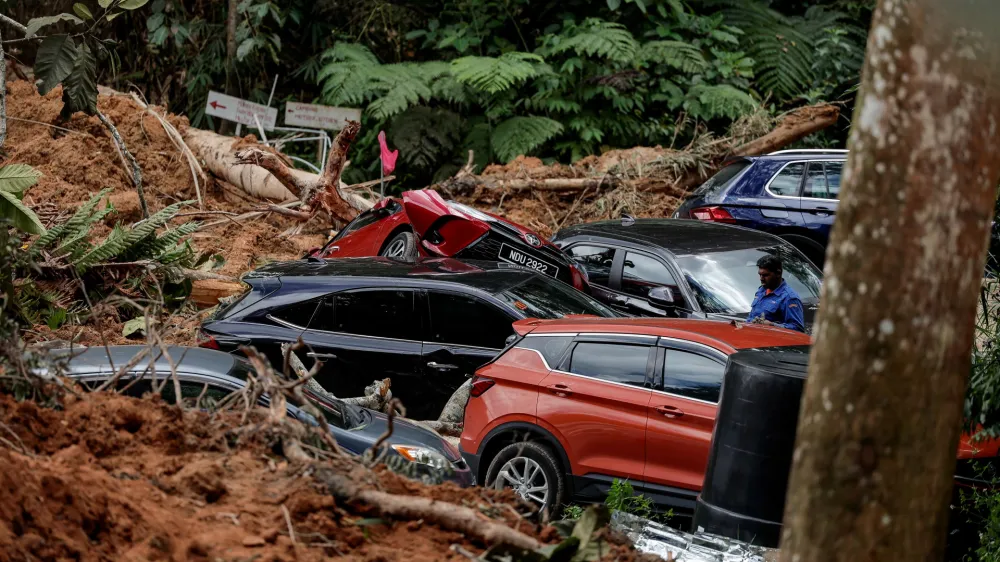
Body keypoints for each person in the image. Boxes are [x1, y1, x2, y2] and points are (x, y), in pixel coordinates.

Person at [747, 254, 805, 332]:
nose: (761, 279)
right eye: (760, 275)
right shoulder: (761, 291)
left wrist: (772, 326)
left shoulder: (789, 298)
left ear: (778, 273)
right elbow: (751, 318)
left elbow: (798, 329)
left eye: (765, 275)